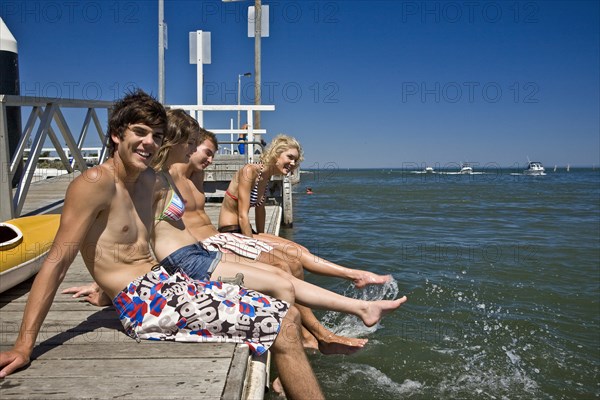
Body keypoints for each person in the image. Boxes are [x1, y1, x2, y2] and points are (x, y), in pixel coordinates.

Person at [0, 92, 324, 400]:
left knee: (289, 311)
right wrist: (24, 346)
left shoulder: (149, 182)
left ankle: (289, 376)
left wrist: (102, 290)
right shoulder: (94, 185)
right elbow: (57, 264)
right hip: (143, 304)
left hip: (169, 284)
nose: (149, 143)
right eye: (140, 132)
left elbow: (140, 244)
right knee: (282, 323)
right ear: (116, 134)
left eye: (156, 135)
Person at [165, 123, 396, 353]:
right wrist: (256, 244)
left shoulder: (247, 175)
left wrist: (261, 237)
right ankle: (318, 333)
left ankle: (346, 287)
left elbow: (260, 209)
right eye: (290, 157)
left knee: (297, 253)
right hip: (228, 233)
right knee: (287, 262)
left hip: (230, 235)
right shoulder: (244, 171)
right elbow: (243, 215)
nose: (210, 160)